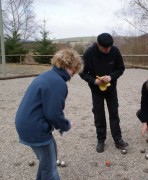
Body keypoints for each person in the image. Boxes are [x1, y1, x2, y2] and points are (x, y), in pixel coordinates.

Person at [15, 48, 83, 180]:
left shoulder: (48, 75)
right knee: (50, 171)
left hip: (26, 125)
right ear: (67, 65)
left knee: (47, 160)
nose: (74, 73)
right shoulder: (57, 82)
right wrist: (66, 125)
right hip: (35, 128)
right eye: (74, 69)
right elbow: (53, 114)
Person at [80, 33, 128, 153]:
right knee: (99, 115)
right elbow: (82, 72)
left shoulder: (115, 51)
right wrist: (94, 81)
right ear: (98, 44)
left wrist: (111, 76)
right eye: (105, 48)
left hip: (111, 89)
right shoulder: (89, 53)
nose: (108, 50)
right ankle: (101, 140)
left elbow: (121, 68)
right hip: (96, 90)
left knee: (114, 113)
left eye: (110, 47)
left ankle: (118, 139)